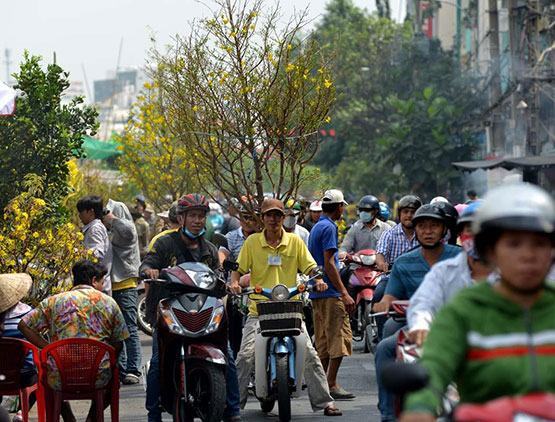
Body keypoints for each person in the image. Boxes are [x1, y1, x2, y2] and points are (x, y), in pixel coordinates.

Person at [401, 183, 555, 422]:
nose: (528, 255)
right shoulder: (464, 310)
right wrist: (419, 409)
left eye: (540, 244)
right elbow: (435, 367)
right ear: (491, 251)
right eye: (514, 244)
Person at [228, 198, 342, 416]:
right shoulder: (252, 243)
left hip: (291, 309)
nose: (273, 219)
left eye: (277, 215)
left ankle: (325, 402)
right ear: (262, 218)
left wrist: (317, 279)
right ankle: (233, 406)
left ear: (284, 218)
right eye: (269, 215)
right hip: (259, 310)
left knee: (309, 352)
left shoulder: (295, 241)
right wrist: (234, 282)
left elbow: (310, 267)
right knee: (244, 356)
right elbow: (238, 270)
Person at [140, 193, 241, 422]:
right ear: (181, 218)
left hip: (203, 309)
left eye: (201, 216)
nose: (197, 221)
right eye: (193, 216)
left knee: (229, 355)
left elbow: (219, 276)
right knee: (157, 361)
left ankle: (233, 409)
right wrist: (150, 270)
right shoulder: (165, 243)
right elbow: (148, 262)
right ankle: (153, 412)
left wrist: (230, 284)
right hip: (170, 310)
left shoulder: (210, 249)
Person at [372, 204, 460, 422]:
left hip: (457, 328)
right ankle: (388, 413)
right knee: (384, 348)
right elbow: (390, 296)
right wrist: (383, 304)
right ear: (415, 229)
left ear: (444, 230)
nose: (428, 231)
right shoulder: (403, 262)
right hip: (417, 328)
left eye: (434, 226)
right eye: (422, 226)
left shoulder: (460, 259)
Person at [19, 260, 129, 422]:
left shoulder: (53, 301)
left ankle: (68, 416)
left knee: (47, 378)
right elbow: (119, 341)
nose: (103, 286)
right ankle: (92, 417)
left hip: (60, 376)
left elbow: (23, 325)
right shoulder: (109, 303)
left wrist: (47, 347)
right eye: (101, 281)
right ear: (93, 280)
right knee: (113, 379)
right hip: (98, 376)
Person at [406, 201, 491, 347]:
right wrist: (420, 325)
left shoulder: (513, 272)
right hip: (450, 342)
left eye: (483, 230)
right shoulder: (444, 271)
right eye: (470, 229)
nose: (477, 236)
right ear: (460, 234)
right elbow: (423, 303)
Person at [308, 189, 356, 401]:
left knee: (323, 341)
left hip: (318, 293)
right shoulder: (329, 227)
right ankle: (332, 383)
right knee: (339, 338)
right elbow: (329, 264)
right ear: (339, 207)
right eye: (342, 207)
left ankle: (322, 385)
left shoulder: (317, 226)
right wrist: (344, 293)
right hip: (329, 292)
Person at [102, 199, 143, 385]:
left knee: (129, 328)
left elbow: (128, 230)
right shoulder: (113, 233)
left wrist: (113, 219)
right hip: (113, 285)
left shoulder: (125, 232)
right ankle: (122, 368)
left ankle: (133, 369)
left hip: (125, 284)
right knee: (118, 331)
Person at [0, 273, 36, 422]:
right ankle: (22, 412)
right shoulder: (29, 314)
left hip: (1, 375)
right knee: (42, 377)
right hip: (24, 376)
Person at [375, 195, 422, 272]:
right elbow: (380, 253)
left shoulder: (424, 234)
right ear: (399, 214)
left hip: (419, 277)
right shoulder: (389, 234)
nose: (409, 215)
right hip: (393, 277)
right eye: (405, 212)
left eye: (413, 212)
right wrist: (382, 264)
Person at [76, 195, 112, 294]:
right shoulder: (93, 228)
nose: (79, 216)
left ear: (91, 212)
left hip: (96, 285)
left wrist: (76, 253)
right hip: (95, 284)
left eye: (81, 212)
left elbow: (97, 254)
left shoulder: (95, 229)